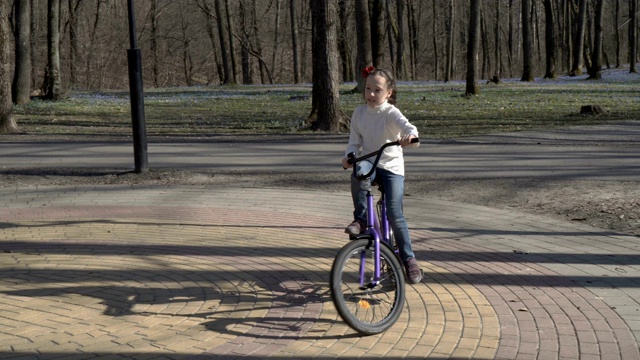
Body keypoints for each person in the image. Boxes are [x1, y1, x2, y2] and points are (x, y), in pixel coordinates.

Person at [341, 66, 423, 284]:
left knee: (395, 213)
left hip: (392, 167)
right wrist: (349, 156)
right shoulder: (359, 113)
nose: (370, 94)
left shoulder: (390, 113)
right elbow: (354, 142)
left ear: (388, 93)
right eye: (367, 88)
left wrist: (409, 137)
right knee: (360, 171)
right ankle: (361, 219)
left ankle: (409, 260)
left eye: (377, 90)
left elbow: (410, 128)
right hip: (370, 162)